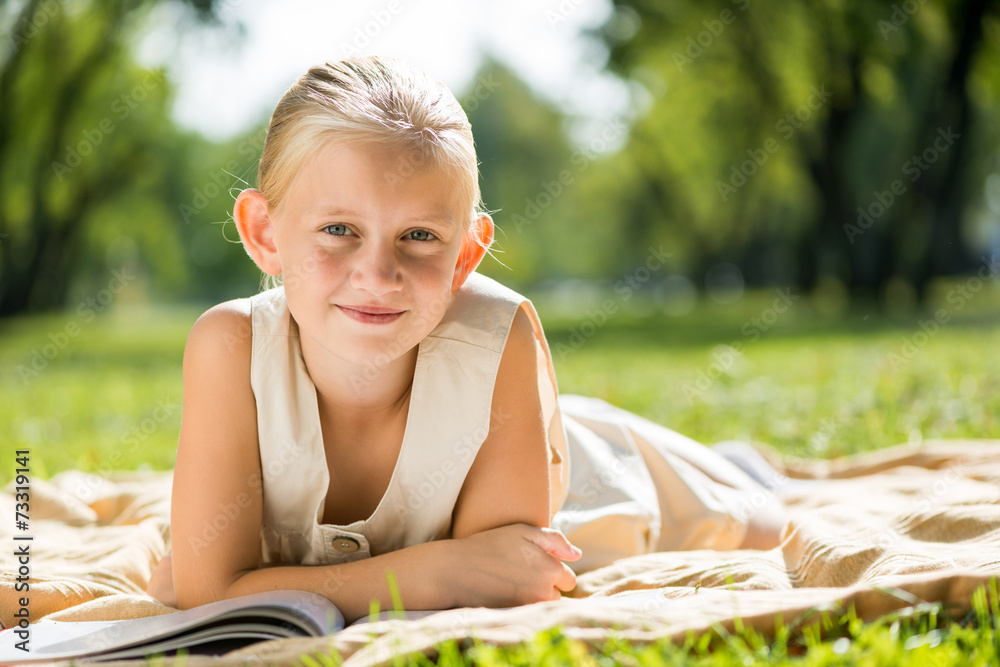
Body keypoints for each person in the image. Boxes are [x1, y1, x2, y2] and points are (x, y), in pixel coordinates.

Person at [146, 56, 786, 624]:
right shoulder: (229, 346)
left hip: (588, 482)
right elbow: (210, 598)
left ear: (466, 255)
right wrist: (434, 573)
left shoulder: (498, 335)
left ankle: (736, 466)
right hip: (503, 444)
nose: (377, 274)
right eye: (338, 228)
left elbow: (508, 581)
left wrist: (246, 582)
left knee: (758, 520)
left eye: (419, 236)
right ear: (264, 232)